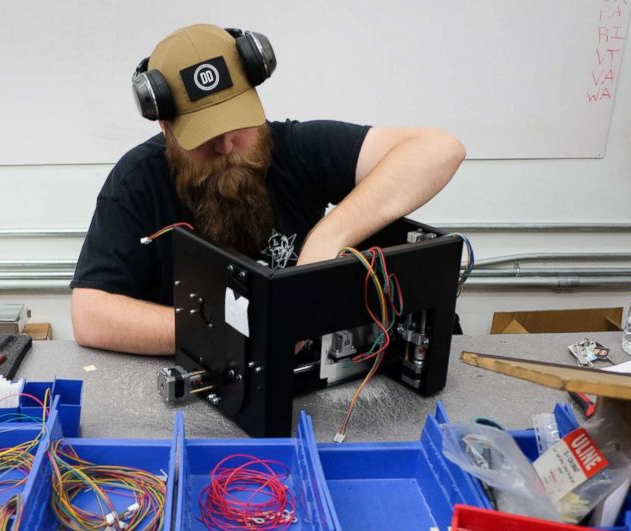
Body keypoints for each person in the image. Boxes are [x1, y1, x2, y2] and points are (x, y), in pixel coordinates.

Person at [71, 23, 465, 355]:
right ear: (166, 127)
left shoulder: (293, 148)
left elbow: (440, 149)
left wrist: (328, 236)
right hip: (205, 379)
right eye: (204, 137)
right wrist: (239, 331)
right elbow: (89, 314)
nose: (225, 147)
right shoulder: (136, 181)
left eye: (237, 125)